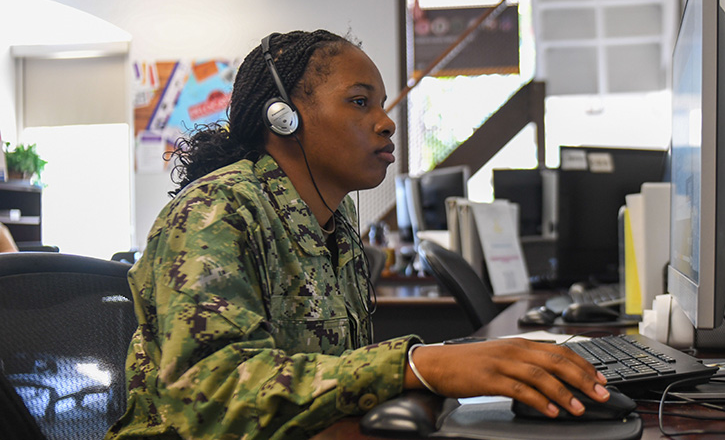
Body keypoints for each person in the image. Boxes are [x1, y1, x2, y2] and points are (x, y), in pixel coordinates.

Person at [107, 30, 609, 440]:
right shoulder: (215, 212)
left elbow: (331, 380)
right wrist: (413, 366)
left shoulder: (336, 220)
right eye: (360, 102)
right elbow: (210, 398)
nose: (386, 122)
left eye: (381, 104)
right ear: (284, 117)